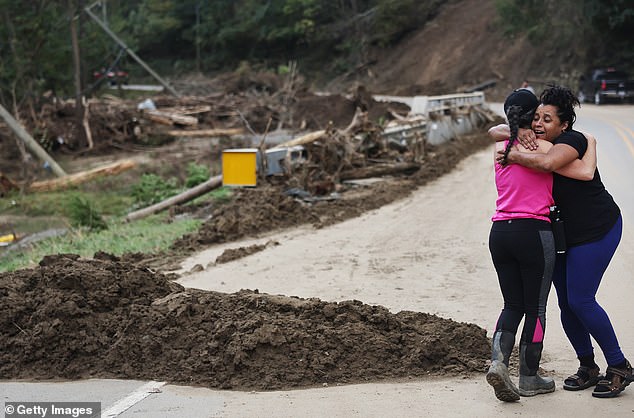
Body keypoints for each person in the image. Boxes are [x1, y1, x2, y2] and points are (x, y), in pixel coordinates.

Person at [493, 85, 633, 399]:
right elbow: (498, 129)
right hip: (563, 234)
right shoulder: (538, 140)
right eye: (536, 117)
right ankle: (587, 365)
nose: (540, 123)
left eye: (548, 119)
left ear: (564, 125)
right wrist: (507, 131)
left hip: (598, 228)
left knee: (581, 299)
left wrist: (511, 150)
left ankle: (620, 365)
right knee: (565, 302)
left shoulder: (573, 140)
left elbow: (549, 164)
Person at [485, 89, 596, 402]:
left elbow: (496, 129)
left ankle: (498, 364)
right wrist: (592, 144)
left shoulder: (499, 144)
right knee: (535, 309)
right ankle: (530, 376)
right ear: (531, 116)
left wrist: (513, 127)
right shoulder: (545, 146)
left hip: (500, 232)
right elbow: (584, 172)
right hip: (533, 232)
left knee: (511, 305)